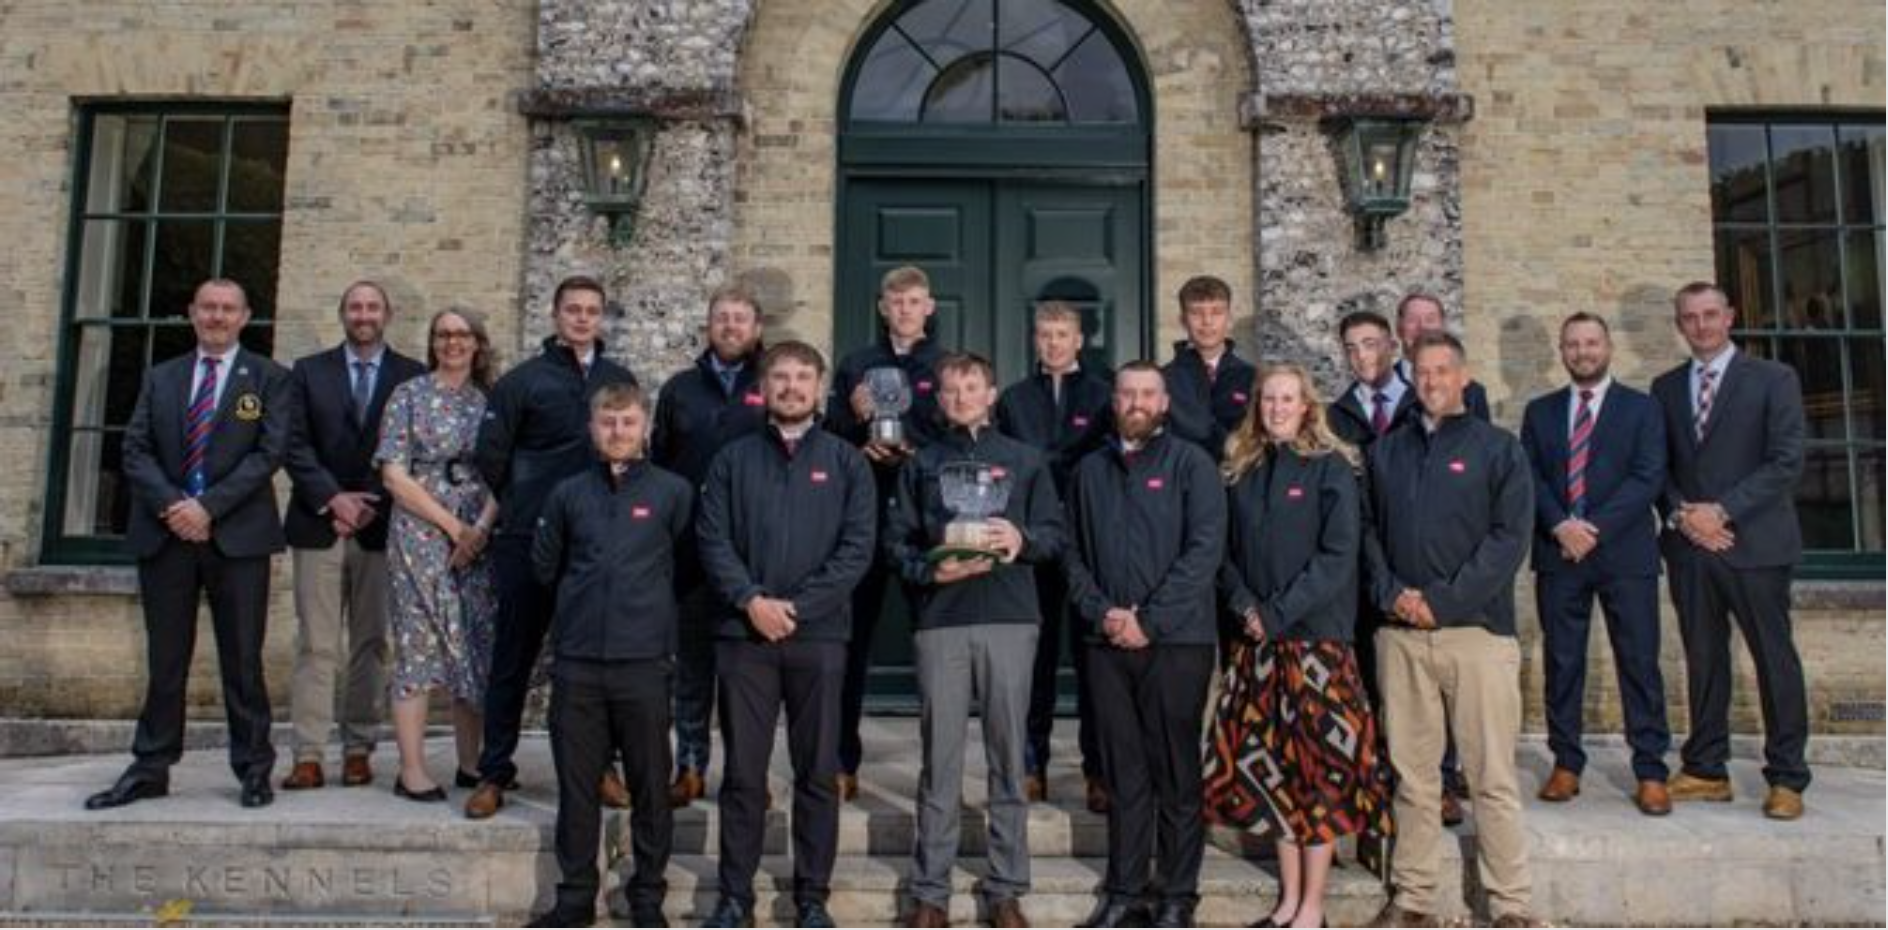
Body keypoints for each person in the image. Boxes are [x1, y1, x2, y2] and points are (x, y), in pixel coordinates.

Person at [85, 278, 293, 811]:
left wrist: (209, 507)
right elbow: (135, 449)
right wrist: (174, 506)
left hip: (238, 538)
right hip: (167, 534)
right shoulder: (162, 378)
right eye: (208, 308)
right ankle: (151, 765)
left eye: (228, 309)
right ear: (191, 313)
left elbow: (267, 454)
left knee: (243, 658)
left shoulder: (268, 379)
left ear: (246, 317)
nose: (217, 317)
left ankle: (252, 767)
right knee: (166, 658)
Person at [695, 342, 878, 929]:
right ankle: (734, 898)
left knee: (817, 773)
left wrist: (795, 609)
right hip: (743, 637)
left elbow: (857, 550)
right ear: (765, 386)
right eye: (782, 377)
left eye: (803, 377)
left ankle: (812, 897)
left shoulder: (848, 463)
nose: (793, 387)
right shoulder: (731, 460)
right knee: (744, 775)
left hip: (819, 638)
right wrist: (751, 601)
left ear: (821, 388)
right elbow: (712, 539)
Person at [1363, 333, 1538, 928]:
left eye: (1443, 370)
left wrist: (1440, 602)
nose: (1433, 381)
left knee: (1491, 777)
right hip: (1401, 637)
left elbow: (1507, 543)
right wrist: (1394, 596)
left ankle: (1509, 903)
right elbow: (1368, 536)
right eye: (1423, 371)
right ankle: (1413, 898)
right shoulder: (1388, 452)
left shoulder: (1498, 449)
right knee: (1412, 778)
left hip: (1477, 636)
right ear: (1410, 377)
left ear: (1464, 376)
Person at [1209, 363, 1392, 929]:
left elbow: (1338, 559)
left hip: (1317, 650)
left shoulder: (1331, 468)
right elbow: (1224, 554)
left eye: (1287, 399)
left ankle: (1313, 907)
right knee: (1276, 780)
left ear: (1307, 405)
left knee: (1319, 781)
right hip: (1258, 651)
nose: (1277, 409)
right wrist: (1246, 609)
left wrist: (1277, 614)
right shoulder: (1243, 468)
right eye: (1268, 400)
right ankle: (1288, 899)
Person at [887, 353, 1064, 930]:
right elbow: (898, 543)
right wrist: (928, 573)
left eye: (972, 387)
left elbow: (1054, 536)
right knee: (939, 761)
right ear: (937, 399)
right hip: (942, 619)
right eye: (950, 389)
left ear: (992, 394)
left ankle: (1006, 887)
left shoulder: (1026, 460)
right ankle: (931, 891)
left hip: (1010, 618)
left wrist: (1022, 537)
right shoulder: (922, 463)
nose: (961, 397)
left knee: (1007, 758)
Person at [468, 274, 638, 819]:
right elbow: (491, 455)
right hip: (527, 542)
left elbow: (631, 448)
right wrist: (524, 504)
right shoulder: (521, 382)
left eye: (592, 310)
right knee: (512, 658)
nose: (583, 318)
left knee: (595, 661)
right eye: (573, 309)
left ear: (602, 317)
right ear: (556, 315)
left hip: (597, 546)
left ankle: (602, 769)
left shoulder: (618, 379)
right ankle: (494, 771)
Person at [1062, 362, 1224, 929]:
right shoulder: (1088, 471)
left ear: (1164, 402)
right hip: (1106, 641)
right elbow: (1072, 554)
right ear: (1114, 402)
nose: (1136, 402)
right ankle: (1125, 890)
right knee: (1123, 772)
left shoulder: (1192, 465)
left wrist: (1149, 621)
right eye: (1127, 393)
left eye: (1147, 393)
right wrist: (1104, 613)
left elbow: (1204, 552)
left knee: (1176, 772)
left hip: (1177, 642)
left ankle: (1178, 896)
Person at [526, 383, 692, 929]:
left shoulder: (672, 492)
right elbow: (545, 568)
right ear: (592, 428)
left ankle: (647, 898)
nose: (617, 431)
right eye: (607, 421)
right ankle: (574, 899)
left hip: (644, 664)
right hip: (578, 665)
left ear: (645, 427)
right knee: (578, 792)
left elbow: (689, 570)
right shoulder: (568, 493)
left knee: (650, 788)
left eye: (627, 421)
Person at [1651, 282, 1810, 820]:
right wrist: (1682, 515)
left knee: (1774, 660)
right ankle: (1705, 767)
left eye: (1710, 315)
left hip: (1755, 543)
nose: (1701, 325)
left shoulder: (1773, 379)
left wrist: (1721, 511)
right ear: (1680, 325)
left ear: (1730, 317)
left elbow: (1787, 460)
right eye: (1690, 317)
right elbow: (1660, 466)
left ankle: (1787, 775)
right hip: (1690, 546)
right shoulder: (1666, 387)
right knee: (1704, 658)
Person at [1520, 312, 1672, 815]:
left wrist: (1594, 528)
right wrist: (1562, 525)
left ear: (1608, 347)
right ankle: (1566, 762)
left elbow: (1647, 478)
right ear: (1561, 352)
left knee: (1639, 661)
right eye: (1572, 345)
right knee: (1563, 662)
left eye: (1590, 343)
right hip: (1559, 553)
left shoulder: (1642, 409)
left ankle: (1650, 769)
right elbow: (1532, 479)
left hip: (1625, 554)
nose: (1582, 352)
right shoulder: (1539, 412)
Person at [280, 280, 425, 791]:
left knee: (372, 642)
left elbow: (413, 453)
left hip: (381, 527)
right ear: (342, 313)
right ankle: (309, 753)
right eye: (355, 307)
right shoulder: (307, 372)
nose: (364, 315)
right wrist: (332, 499)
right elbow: (292, 443)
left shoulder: (412, 376)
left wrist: (366, 504)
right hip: (317, 522)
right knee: (316, 644)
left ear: (387, 314)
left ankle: (360, 747)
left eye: (373, 307)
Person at [824, 264, 947, 800]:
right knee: (851, 643)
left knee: (938, 649)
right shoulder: (855, 365)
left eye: (914, 301)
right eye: (895, 301)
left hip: (924, 519)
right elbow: (828, 438)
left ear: (929, 306)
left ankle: (937, 768)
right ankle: (840, 759)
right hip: (865, 517)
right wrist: (857, 432)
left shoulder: (945, 365)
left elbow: (953, 437)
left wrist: (912, 451)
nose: (904, 309)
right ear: (882, 307)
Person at [375, 308, 501, 802]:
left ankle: (472, 763)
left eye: (461, 334)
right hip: (419, 532)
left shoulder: (491, 401)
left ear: (477, 342)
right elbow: (393, 473)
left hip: (480, 533)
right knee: (419, 643)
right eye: (442, 334)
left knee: (474, 642)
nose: (452, 342)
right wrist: (452, 527)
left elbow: (506, 470)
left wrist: (480, 530)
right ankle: (412, 769)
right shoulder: (408, 395)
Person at [650, 283, 768, 808]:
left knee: (746, 678)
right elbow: (660, 460)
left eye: (740, 318)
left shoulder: (774, 383)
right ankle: (691, 766)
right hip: (692, 552)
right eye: (722, 318)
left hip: (754, 553)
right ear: (709, 325)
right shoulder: (680, 389)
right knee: (692, 667)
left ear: (757, 329)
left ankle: (748, 776)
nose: (730, 326)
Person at [994, 300, 1113, 811]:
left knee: (1094, 660)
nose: (1053, 343)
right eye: (1045, 334)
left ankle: (1098, 771)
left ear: (1079, 339)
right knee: (1034, 659)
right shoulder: (1015, 398)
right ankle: (1030, 763)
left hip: (1089, 540)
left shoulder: (1104, 394)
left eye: (1062, 334)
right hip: (1033, 542)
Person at [1160, 275, 1256, 462]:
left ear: (1229, 318)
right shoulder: (1163, 380)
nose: (1207, 322)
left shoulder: (1251, 378)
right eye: (1196, 313)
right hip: (1182, 481)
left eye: (1217, 312)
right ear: (1183, 320)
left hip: (1237, 481)